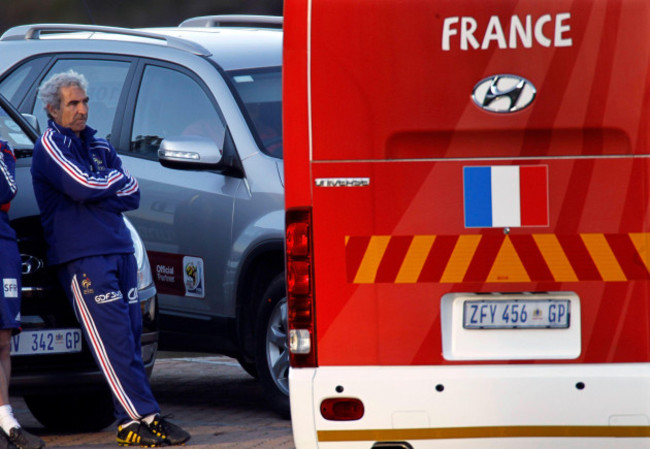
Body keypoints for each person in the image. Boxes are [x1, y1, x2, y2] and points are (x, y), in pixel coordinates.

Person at [30, 70, 190, 447]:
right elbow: (82, 186)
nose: (82, 109)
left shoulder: (98, 143)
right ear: (53, 109)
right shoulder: (50, 145)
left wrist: (101, 187)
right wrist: (107, 186)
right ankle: (138, 419)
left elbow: (132, 192)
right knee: (114, 340)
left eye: (84, 101)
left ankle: (139, 415)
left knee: (132, 336)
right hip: (84, 258)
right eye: (73, 103)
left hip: (119, 249)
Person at [0, 140, 45, 449]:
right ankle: (7, 422)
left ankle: (5, 418)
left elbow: (5, 190)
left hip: (3, 245)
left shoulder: (4, 152)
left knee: (3, 340)